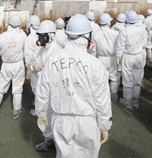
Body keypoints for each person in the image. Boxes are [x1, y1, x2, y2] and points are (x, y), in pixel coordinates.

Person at [35, 14, 112, 158]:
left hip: (61, 121)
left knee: (63, 154)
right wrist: (104, 125)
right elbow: (102, 99)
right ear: (86, 36)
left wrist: (41, 113)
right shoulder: (95, 64)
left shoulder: (53, 59)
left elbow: (42, 90)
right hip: (87, 122)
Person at [32, 20, 61, 152]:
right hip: (43, 89)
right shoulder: (43, 49)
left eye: (43, 37)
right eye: (39, 36)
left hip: (53, 90)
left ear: (51, 35)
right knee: (45, 116)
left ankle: (55, 142)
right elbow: (36, 60)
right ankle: (49, 141)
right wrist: (34, 65)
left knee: (52, 116)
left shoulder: (57, 51)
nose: (40, 39)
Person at [0, 14, 27, 119]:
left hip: (6, 65)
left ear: (9, 23)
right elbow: (26, 51)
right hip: (18, 64)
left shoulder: (1, 36)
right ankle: (16, 110)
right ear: (19, 24)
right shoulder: (23, 35)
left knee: (0, 87)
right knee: (17, 89)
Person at [116, 10, 147, 110]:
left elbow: (120, 45)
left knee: (127, 81)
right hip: (138, 56)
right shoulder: (142, 29)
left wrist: (118, 57)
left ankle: (128, 102)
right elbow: (144, 43)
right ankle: (135, 101)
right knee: (137, 80)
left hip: (128, 56)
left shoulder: (125, 31)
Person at [93, 13, 120, 102]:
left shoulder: (96, 34)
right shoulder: (115, 33)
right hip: (112, 57)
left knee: (102, 77)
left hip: (101, 58)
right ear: (109, 22)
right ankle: (114, 95)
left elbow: (93, 49)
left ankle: (103, 95)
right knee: (114, 77)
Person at [25, 15, 41, 97]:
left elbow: (28, 56)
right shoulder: (42, 34)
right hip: (44, 66)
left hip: (34, 67)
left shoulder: (29, 38)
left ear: (29, 25)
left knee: (36, 89)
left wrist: (28, 66)